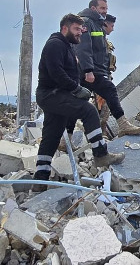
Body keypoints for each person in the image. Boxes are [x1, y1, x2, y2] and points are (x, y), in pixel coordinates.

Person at [33, 13, 125, 190]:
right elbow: (56, 73)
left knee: (51, 135)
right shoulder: (55, 44)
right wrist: (76, 89)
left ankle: (40, 178)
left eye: (81, 30)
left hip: (55, 95)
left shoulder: (66, 46)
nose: (79, 34)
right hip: (51, 94)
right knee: (88, 111)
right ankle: (100, 154)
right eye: (76, 29)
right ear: (64, 28)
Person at [75, 0, 140, 135]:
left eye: (106, 8)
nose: (105, 11)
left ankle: (66, 140)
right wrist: (88, 70)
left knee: (79, 103)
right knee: (107, 90)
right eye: (102, 8)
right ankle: (122, 124)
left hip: (95, 71)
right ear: (93, 8)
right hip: (87, 71)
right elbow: (83, 48)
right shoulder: (87, 23)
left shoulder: (97, 24)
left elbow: (100, 51)